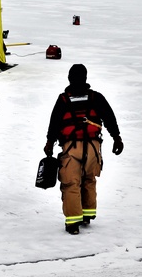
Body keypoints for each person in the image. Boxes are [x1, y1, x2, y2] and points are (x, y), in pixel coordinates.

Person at [43, 64, 123, 235]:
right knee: (88, 179)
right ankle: (87, 214)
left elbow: (54, 123)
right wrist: (117, 138)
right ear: (85, 78)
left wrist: (49, 143)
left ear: (69, 78)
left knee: (71, 182)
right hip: (93, 148)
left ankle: (73, 222)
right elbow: (110, 118)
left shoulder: (63, 99)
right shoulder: (96, 98)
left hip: (72, 148)